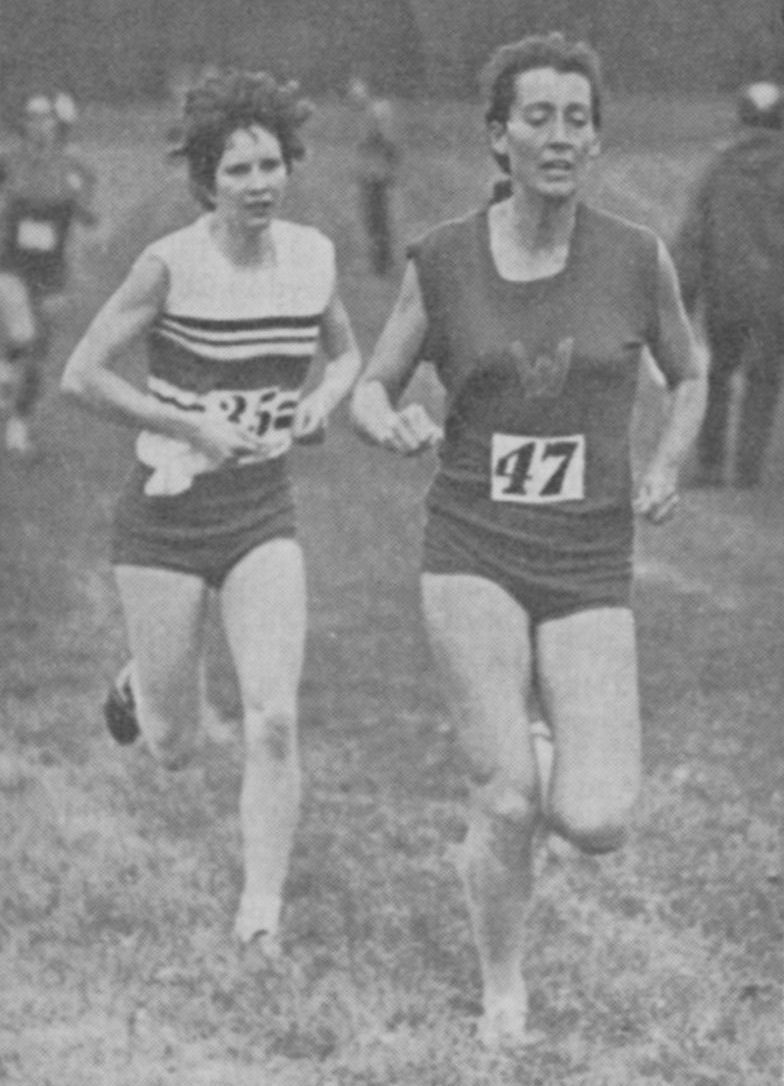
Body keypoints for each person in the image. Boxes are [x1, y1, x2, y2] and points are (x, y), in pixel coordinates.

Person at [351, 33, 706, 1046]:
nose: (558, 136)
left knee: (596, 821)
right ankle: (502, 984)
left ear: (595, 141)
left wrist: (668, 462)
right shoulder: (444, 258)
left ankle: (535, 749)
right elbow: (370, 386)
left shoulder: (636, 257)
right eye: (537, 117)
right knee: (505, 801)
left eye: (576, 119)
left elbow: (689, 374)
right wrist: (386, 420)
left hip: (588, 557)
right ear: (497, 136)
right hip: (474, 546)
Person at [60, 70, 361, 949]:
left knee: (274, 715)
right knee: (173, 746)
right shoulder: (172, 264)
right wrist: (185, 421)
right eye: (239, 170)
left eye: (272, 165)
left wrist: (320, 401)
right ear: (207, 179)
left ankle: (260, 912)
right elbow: (82, 374)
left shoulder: (310, 256)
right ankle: (141, 682)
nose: (260, 184)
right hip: (165, 516)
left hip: (260, 512)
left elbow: (345, 355)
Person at [673, 80, 784, 487]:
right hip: (775, 296)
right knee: (764, 379)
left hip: (725, 292)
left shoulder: (719, 168)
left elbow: (693, 237)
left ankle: (711, 463)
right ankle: (748, 470)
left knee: (718, 374)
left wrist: (682, 296)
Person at [0, 91, 97, 456]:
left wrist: (80, 203)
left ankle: (18, 427)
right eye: (32, 117)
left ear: (58, 124)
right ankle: (6, 369)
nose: (39, 124)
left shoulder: (75, 165)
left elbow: (88, 215)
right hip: (11, 265)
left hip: (52, 270)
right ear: (23, 123)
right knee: (24, 333)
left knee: (39, 348)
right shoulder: (9, 160)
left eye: (46, 117)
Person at [348, 76, 400, 276]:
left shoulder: (376, 113)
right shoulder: (369, 113)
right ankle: (380, 262)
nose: (354, 102)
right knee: (373, 220)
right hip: (371, 174)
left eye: (356, 97)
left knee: (377, 220)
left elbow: (387, 143)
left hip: (377, 176)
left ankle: (382, 264)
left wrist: (387, 169)